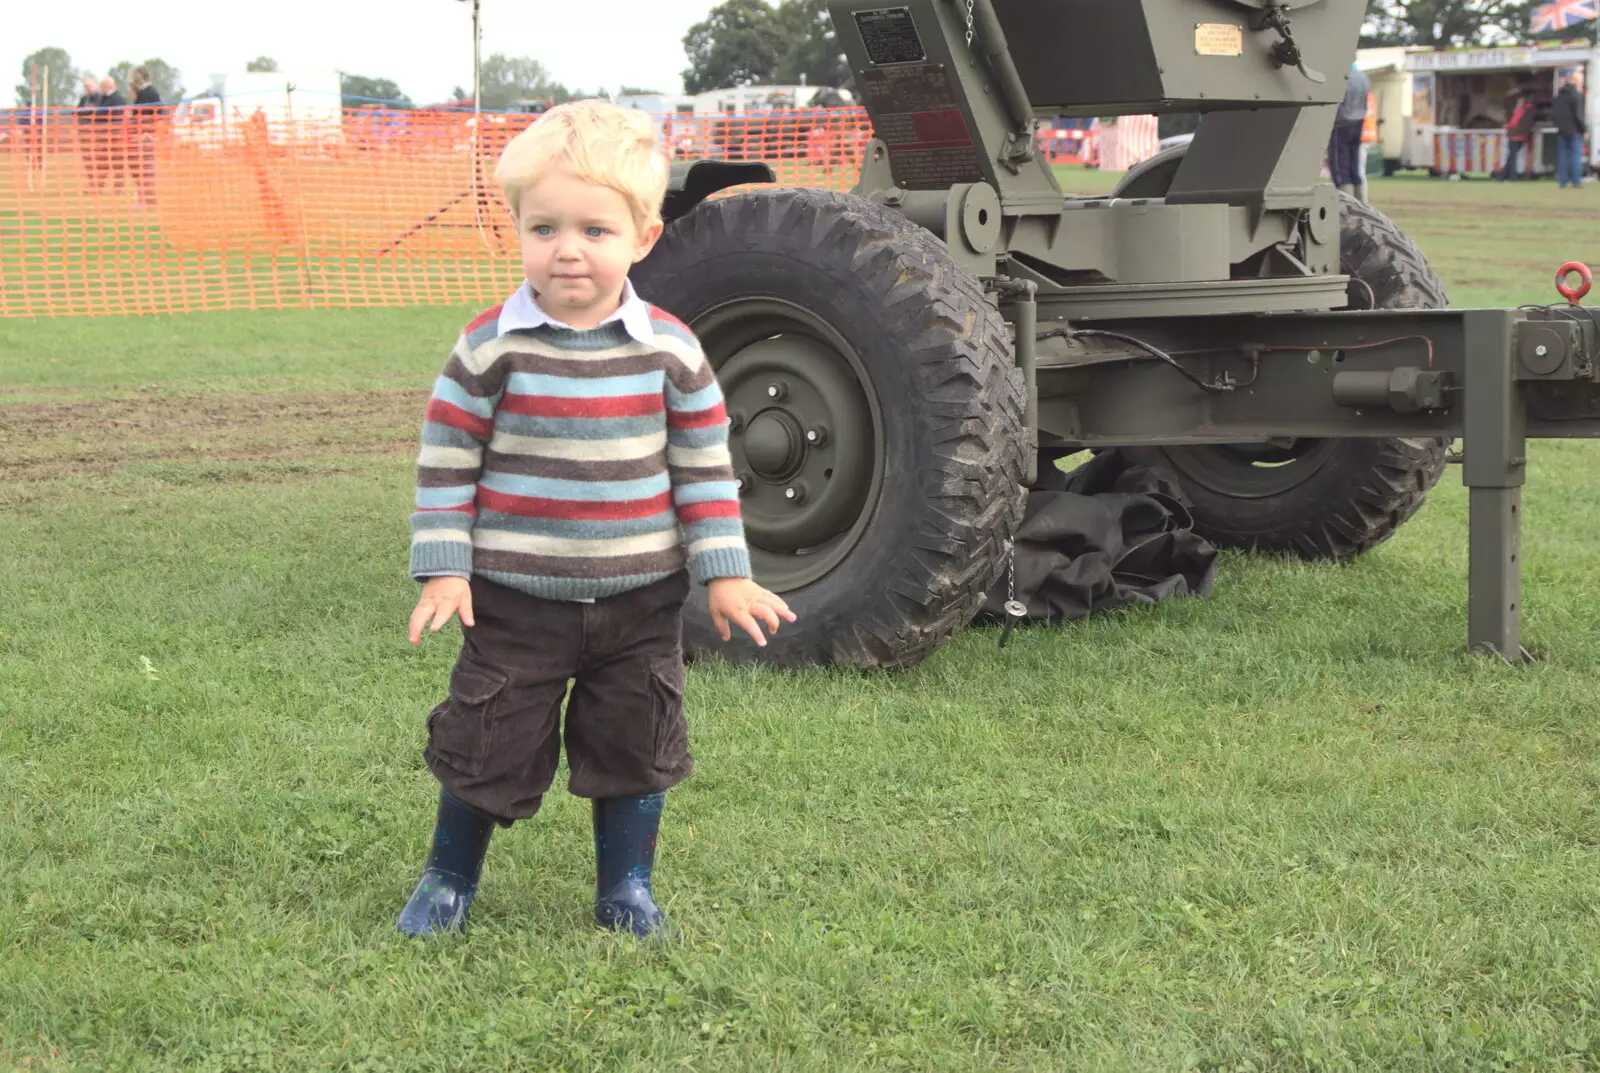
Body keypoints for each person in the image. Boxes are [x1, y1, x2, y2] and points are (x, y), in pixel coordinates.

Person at [396, 99, 795, 940]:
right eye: (543, 228)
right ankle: (446, 879)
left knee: (635, 741)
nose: (567, 249)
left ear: (643, 237)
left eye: (594, 230)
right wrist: (443, 563)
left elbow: (705, 471)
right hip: (515, 604)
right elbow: (446, 461)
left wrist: (725, 574)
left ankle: (627, 889)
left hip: (640, 604)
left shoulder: (672, 350)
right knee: (486, 737)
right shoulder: (488, 347)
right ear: (517, 229)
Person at [1328, 61, 1369, 201]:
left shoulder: (1342, 76)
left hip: (1341, 124)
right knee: (1354, 166)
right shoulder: (1363, 77)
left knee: (1340, 168)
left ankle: (1347, 204)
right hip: (1358, 122)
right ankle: (1362, 202)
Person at [127, 66, 162, 207]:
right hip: (139, 135)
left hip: (147, 136)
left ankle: (147, 199)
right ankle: (145, 198)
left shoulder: (149, 92)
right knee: (139, 169)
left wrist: (149, 131)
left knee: (146, 170)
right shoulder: (141, 93)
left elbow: (158, 113)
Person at [1552, 77, 1587, 189]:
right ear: (1575, 84)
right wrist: (1584, 130)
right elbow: (1578, 116)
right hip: (1574, 130)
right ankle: (1576, 182)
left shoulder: (1558, 97)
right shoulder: (1576, 97)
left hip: (1561, 131)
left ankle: (1562, 182)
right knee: (1575, 156)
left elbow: (1553, 115)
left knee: (1563, 157)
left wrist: (1558, 125)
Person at [95, 75, 127, 191]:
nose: (100, 88)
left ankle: (119, 186)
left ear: (108, 86)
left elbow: (114, 115)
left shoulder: (117, 98)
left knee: (117, 161)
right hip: (104, 135)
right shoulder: (104, 98)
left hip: (115, 134)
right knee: (102, 161)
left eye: (102, 86)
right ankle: (98, 186)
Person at [1497, 92, 1536, 181]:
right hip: (1523, 136)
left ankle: (1510, 176)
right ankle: (1503, 175)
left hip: (1514, 135)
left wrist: (1506, 125)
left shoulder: (1520, 110)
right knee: (1512, 156)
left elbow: (1514, 123)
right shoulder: (1531, 111)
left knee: (1511, 157)